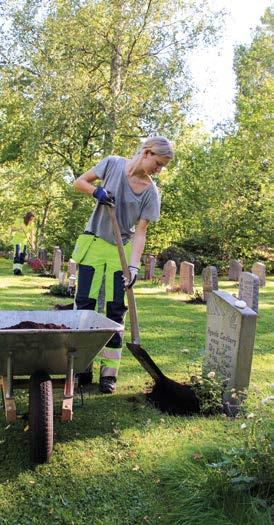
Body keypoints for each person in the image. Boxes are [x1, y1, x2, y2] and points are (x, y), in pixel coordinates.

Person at [72, 136, 174, 393]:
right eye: (158, 163)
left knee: (116, 310)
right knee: (84, 306)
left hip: (122, 250)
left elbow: (141, 232)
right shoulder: (112, 165)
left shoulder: (151, 192)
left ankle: (109, 374)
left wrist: (134, 266)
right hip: (93, 244)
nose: (158, 170)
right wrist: (96, 191)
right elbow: (79, 182)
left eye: (162, 167)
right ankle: (81, 368)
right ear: (147, 152)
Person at [11, 211, 35, 275]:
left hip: (24, 240)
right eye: (30, 219)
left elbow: (32, 234)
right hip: (17, 239)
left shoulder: (31, 224)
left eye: (32, 220)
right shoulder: (19, 221)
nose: (31, 221)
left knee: (23, 254)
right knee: (17, 253)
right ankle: (15, 270)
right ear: (27, 218)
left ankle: (19, 270)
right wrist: (18, 229)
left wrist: (32, 244)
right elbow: (12, 229)